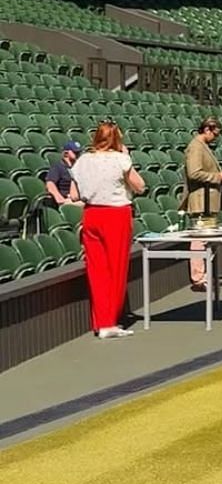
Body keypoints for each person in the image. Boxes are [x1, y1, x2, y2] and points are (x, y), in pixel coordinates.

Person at [71, 119, 146, 339]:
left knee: (97, 270)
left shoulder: (83, 160)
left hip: (92, 214)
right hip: (116, 215)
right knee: (116, 268)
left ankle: (101, 322)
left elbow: (74, 195)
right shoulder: (120, 159)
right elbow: (140, 185)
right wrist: (126, 157)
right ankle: (111, 322)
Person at [183, 117, 222, 291]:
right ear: (207, 129)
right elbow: (194, 173)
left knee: (205, 239)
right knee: (199, 240)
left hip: (208, 201)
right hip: (201, 201)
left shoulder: (203, 146)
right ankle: (198, 277)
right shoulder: (196, 147)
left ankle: (203, 274)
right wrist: (217, 177)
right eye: (215, 133)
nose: (216, 138)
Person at [45, 140, 81, 207]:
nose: (78, 155)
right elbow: (50, 184)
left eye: (79, 152)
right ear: (66, 153)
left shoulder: (79, 167)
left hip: (80, 198)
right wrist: (59, 198)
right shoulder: (57, 167)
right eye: (75, 152)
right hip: (67, 200)